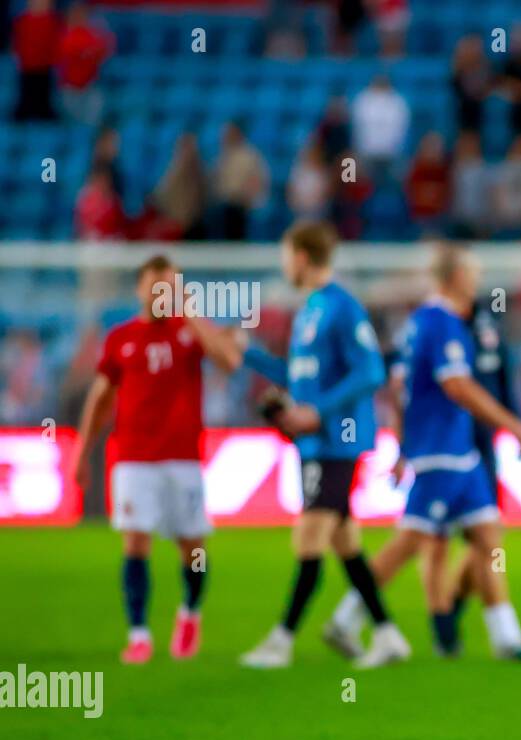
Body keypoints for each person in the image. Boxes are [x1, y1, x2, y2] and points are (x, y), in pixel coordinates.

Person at [184, 222, 405, 668]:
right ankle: (387, 634)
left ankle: (281, 640)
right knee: (345, 542)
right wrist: (248, 353)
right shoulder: (309, 312)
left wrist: (317, 412)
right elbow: (295, 379)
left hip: (336, 444)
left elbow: (370, 372)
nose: (284, 264)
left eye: (286, 255)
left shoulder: (342, 307)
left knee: (309, 537)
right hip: (314, 444)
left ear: (302, 257)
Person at [325, 244, 521, 665]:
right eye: (472, 270)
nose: (477, 277)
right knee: (411, 542)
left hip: (457, 450)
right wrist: (513, 424)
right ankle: (347, 617)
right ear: (455, 276)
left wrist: (401, 446)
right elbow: (458, 387)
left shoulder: (418, 323)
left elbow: (398, 387)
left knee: (488, 536)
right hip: (442, 450)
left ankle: (506, 635)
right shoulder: (444, 323)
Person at [71, 255, 235, 663]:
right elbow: (101, 397)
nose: (162, 294)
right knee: (135, 541)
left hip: (183, 458)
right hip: (133, 457)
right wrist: (81, 450)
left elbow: (229, 360)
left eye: (171, 287)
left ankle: (189, 613)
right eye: (156, 285)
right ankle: (139, 633)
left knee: (192, 548)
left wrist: (191, 310)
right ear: (140, 288)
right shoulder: (121, 338)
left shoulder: (190, 332)